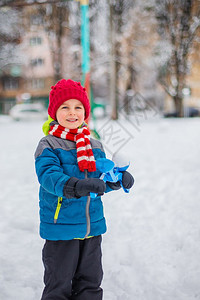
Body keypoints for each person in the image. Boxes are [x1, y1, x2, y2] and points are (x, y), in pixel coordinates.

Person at [34, 79, 134, 300]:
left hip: (92, 227)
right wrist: (77, 186)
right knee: (58, 285)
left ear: (85, 111)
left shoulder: (94, 145)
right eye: (65, 107)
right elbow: (49, 177)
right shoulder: (48, 144)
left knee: (90, 283)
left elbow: (99, 179)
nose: (72, 113)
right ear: (54, 112)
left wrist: (116, 181)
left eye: (78, 107)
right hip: (62, 228)